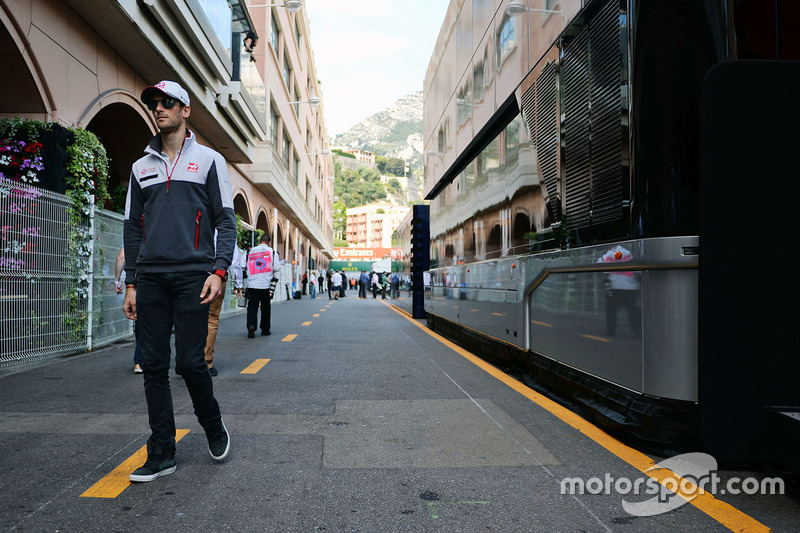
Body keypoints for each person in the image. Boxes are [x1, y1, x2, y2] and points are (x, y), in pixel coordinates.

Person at [123, 80, 234, 483]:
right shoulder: (141, 167)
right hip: (150, 278)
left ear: (186, 110)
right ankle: (162, 452)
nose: (159, 108)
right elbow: (132, 228)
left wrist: (218, 271)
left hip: (194, 276)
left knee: (190, 363)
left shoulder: (208, 161)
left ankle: (213, 423)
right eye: (154, 103)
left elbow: (225, 220)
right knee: (153, 365)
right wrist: (131, 282)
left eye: (167, 102)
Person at [205, 239, 244, 376]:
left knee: (185, 316)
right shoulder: (222, 223)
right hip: (215, 275)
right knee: (212, 318)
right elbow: (233, 257)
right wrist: (238, 283)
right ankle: (207, 362)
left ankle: (184, 359)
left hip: (189, 273)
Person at [245, 233, 282, 337]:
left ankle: (251, 326)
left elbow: (243, 265)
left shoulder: (250, 251)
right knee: (265, 307)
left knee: (252, 307)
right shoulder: (273, 252)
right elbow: (276, 268)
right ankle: (265, 329)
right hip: (266, 285)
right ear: (268, 242)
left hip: (252, 284)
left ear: (260, 241)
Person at [115, 246, 142, 373]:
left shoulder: (133, 231)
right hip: (157, 277)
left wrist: (117, 281)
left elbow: (121, 257)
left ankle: (139, 362)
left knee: (141, 320)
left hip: (138, 280)